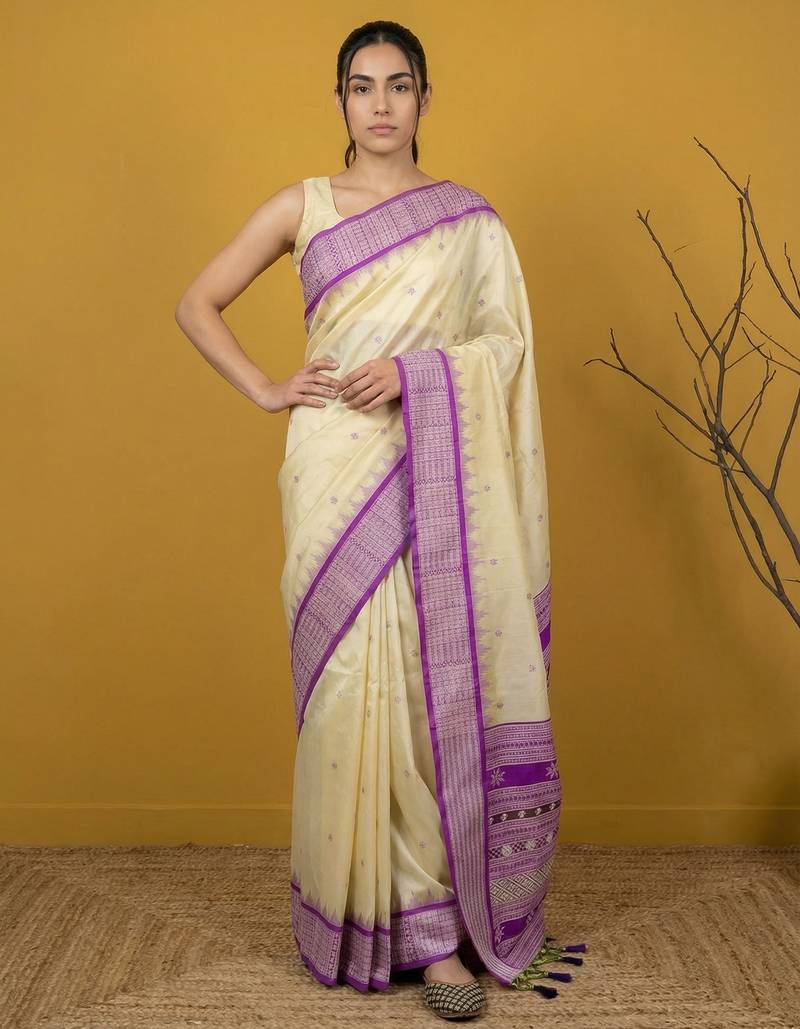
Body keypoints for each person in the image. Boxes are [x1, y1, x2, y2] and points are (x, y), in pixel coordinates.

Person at [175, 18, 587, 1020]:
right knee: (351, 688)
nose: (380, 105)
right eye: (361, 87)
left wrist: (415, 373)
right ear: (339, 101)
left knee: (421, 680)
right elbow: (197, 302)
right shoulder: (303, 206)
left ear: (424, 98)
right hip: (332, 467)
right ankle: (359, 915)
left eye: (398, 85)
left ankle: (435, 935)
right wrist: (268, 387)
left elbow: (503, 346)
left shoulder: (467, 222)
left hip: (429, 470)